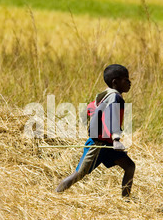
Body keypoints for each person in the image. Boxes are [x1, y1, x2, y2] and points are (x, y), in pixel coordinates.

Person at [56, 64, 135, 198]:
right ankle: (56, 194)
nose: (129, 82)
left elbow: (90, 108)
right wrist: (116, 139)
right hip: (98, 145)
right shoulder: (115, 98)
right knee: (78, 174)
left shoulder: (106, 95)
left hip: (108, 145)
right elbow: (112, 119)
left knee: (129, 167)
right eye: (125, 79)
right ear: (115, 82)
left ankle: (126, 201)